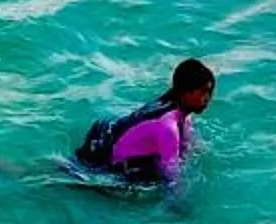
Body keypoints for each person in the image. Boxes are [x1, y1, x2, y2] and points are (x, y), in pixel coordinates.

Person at [72, 58, 216, 190]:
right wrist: (178, 210)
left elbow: (189, 146)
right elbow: (172, 179)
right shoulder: (168, 127)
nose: (208, 98)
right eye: (203, 92)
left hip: (111, 137)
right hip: (108, 163)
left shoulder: (177, 109)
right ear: (186, 92)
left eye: (210, 92)